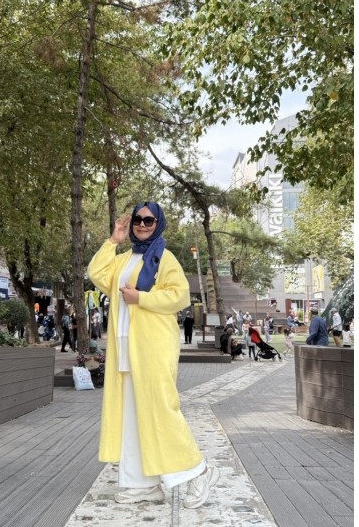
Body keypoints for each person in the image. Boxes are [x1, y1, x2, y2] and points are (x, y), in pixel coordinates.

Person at [87, 201, 219, 509]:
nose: (142, 225)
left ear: (158, 224)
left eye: (149, 220)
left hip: (153, 346)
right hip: (125, 346)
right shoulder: (123, 260)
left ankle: (198, 472)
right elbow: (96, 272)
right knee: (132, 415)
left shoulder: (165, 258)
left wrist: (141, 298)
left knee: (161, 411)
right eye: (138, 219)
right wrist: (113, 240)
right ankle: (141, 484)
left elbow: (179, 296)